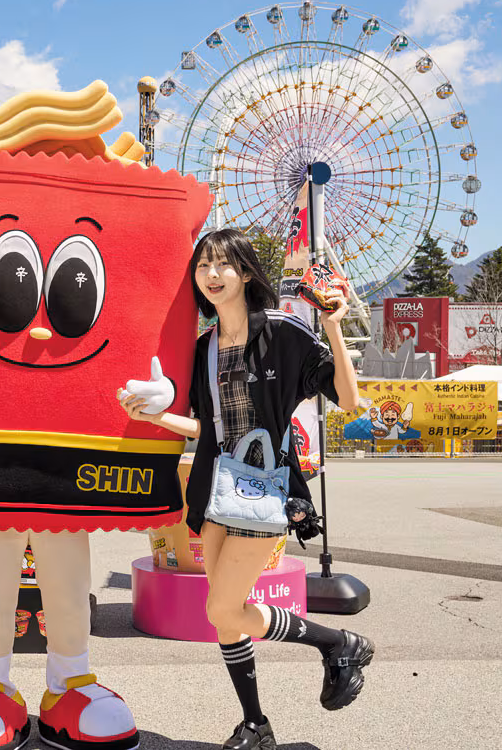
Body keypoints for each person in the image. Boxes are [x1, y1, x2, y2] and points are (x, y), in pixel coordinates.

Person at [118, 228, 375, 750]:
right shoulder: (203, 349)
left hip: (267, 491)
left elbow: (349, 401)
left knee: (220, 609)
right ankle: (256, 724)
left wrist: (333, 328)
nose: (211, 275)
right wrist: (156, 416)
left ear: (246, 272)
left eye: (223, 265)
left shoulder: (283, 332)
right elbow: (207, 430)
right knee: (226, 616)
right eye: (202, 267)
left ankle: (337, 642)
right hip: (215, 491)